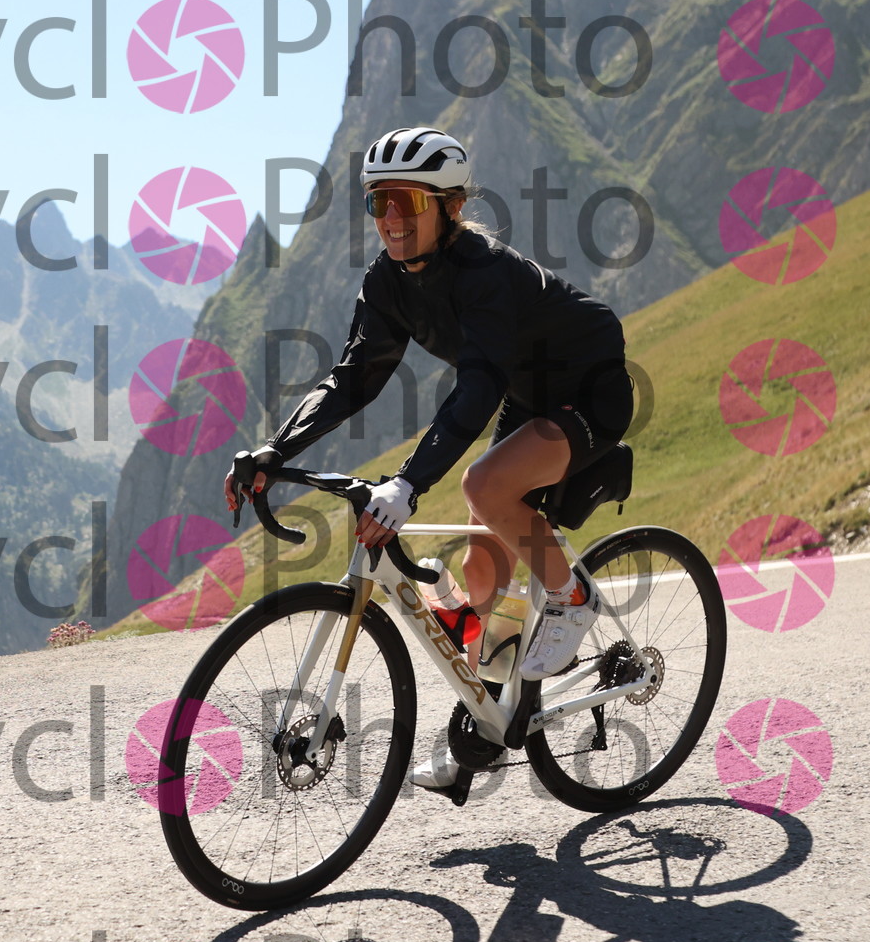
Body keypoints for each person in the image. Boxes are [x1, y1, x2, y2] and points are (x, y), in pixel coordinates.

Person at [223, 126, 633, 793]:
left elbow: (478, 389)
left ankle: (572, 595)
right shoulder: (388, 281)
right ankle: (487, 729)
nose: (390, 217)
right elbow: (354, 377)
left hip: (589, 390)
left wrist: (408, 484)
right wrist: (277, 449)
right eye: (377, 201)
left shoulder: (485, 273)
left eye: (407, 201)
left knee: (484, 486)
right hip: (527, 395)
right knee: (480, 579)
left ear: (450, 206)